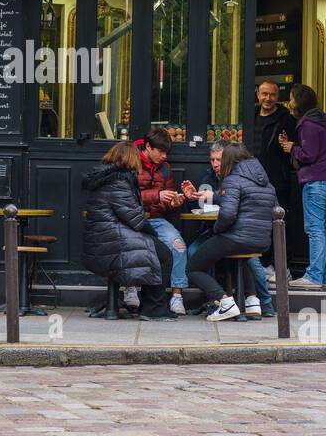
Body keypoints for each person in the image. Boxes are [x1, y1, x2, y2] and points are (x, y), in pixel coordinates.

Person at [80, 142, 176, 319]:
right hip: (110, 240)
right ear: (131, 159)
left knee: (156, 250)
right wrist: (152, 234)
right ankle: (153, 309)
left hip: (103, 239)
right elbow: (135, 218)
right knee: (163, 254)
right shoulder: (118, 181)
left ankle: (150, 307)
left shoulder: (107, 177)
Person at [182, 141, 277, 318]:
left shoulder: (234, 180)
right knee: (240, 259)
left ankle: (224, 302)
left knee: (193, 267)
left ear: (230, 160)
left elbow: (227, 215)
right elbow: (274, 211)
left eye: (222, 159)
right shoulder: (266, 183)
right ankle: (252, 302)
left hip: (236, 239)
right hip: (262, 241)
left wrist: (218, 230)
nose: (218, 163)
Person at [278, 84, 326, 289]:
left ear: (299, 101)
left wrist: (292, 148)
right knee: (323, 229)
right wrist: (295, 145)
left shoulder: (307, 124)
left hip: (317, 181)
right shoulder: (321, 121)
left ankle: (314, 276)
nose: (289, 102)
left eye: (291, 98)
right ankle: (325, 277)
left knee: (315, 229)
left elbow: (309, 154)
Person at [132, 128, 189, 314]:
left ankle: (177, 296)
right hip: (132, 219)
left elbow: (165, 204)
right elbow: (124, 197)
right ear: (148, 147)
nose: (164, 156)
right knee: (131, 246)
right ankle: (129, 288)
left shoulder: (165, 168)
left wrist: (174, 202)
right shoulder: (131, 162)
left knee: (178, 245)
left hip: (156, 220)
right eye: (161, 151)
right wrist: (157, 195)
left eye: (167, 152)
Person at [252, 79, 301, 273]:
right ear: (257, 95)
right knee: (257, 221)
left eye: (272, 94)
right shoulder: (251, 116)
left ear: (277, 96)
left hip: (277, 179)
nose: (268, 98)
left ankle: (281, 266)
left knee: (279, 223)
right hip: (253, 180)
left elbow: (295, 146)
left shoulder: (286, 119)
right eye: (264, 94)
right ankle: (262, 265)